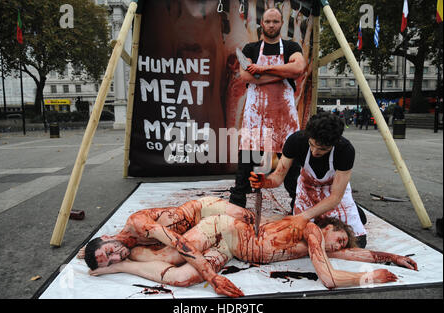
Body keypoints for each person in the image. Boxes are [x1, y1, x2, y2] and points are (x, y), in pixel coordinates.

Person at [87, 198, 417, 296]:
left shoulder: (321, 243)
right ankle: (120, 258)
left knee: (182, 279)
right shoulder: (313, 232)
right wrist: (367, 278)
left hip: (233, 247)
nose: (340, 245)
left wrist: (393, 257)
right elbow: (329, 279)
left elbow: (347, 253)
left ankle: (119, 266)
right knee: (174, 254)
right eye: (340, 238)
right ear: (328, 227)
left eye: (342, 244)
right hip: (223, 228)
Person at [78, 196, 256, 297]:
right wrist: (111, 264)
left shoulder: (137, 224)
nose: (116, 256)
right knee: (247, 238)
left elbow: (178, 243)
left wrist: (211, 277)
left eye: (109, 251)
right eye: (111, 261)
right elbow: (175, 273)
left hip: (201, 211)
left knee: (250, 220)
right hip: (203, 233)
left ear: (107, 237)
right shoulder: (132, 253)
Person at [249, 112, 368, 248]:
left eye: (322, 149)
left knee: (358, 243)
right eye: (311, 144)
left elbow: (335, 197)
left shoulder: (345, 150)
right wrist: (266, 182)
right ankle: (351, 213)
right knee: (299, 238)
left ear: (334, 143)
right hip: (308, 189)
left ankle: (355, 211)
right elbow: (278, 177)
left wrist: (304, 217)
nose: (314, 152)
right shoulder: (295, 141)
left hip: (332, 193)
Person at [229, 7, 306, 208]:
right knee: (247, 155)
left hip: (284, 114)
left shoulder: (291, 46)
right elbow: (246, 76)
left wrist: (262, 70)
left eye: (275, 21)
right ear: (262, 24)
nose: (271, 25)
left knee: (289, 158)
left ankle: (297, 201)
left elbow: (298, 68)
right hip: (256, 112)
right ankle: (238, 199)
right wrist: (283, 73)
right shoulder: (250, 49)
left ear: (281, 24)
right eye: (268, 21)